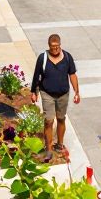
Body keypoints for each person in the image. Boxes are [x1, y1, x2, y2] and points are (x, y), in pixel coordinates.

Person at [30, 34, 80, 162]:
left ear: (60, 45)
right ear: (49, 46)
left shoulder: (67, 57)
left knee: (61, 119)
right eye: (53, 47)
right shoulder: (43, 58)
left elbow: (72, 75)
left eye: (57, 46)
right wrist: (34, 92)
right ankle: (48, 148)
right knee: (48, 120)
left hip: (63, 94)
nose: (55, 49)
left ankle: (60, 144)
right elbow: (37, 76)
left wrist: (77, 92)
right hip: (47, 93)